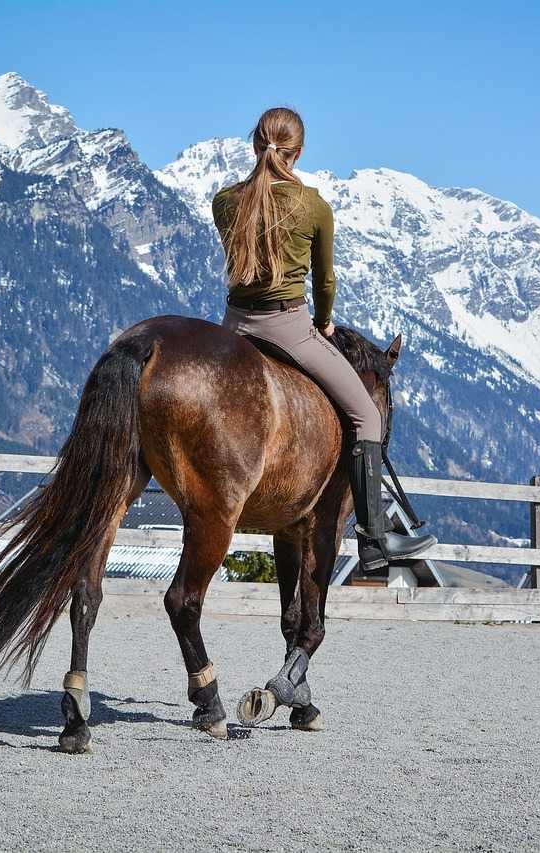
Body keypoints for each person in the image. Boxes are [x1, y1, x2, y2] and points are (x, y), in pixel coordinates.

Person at [211, 106, 436, 573]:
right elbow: (325, 282)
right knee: (367, 416)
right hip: (287, 328)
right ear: (298, 153)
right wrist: (326, 323)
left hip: (233, 328)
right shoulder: (313, 206)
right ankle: (374, 538)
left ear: (254, 145)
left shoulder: (225, 202)